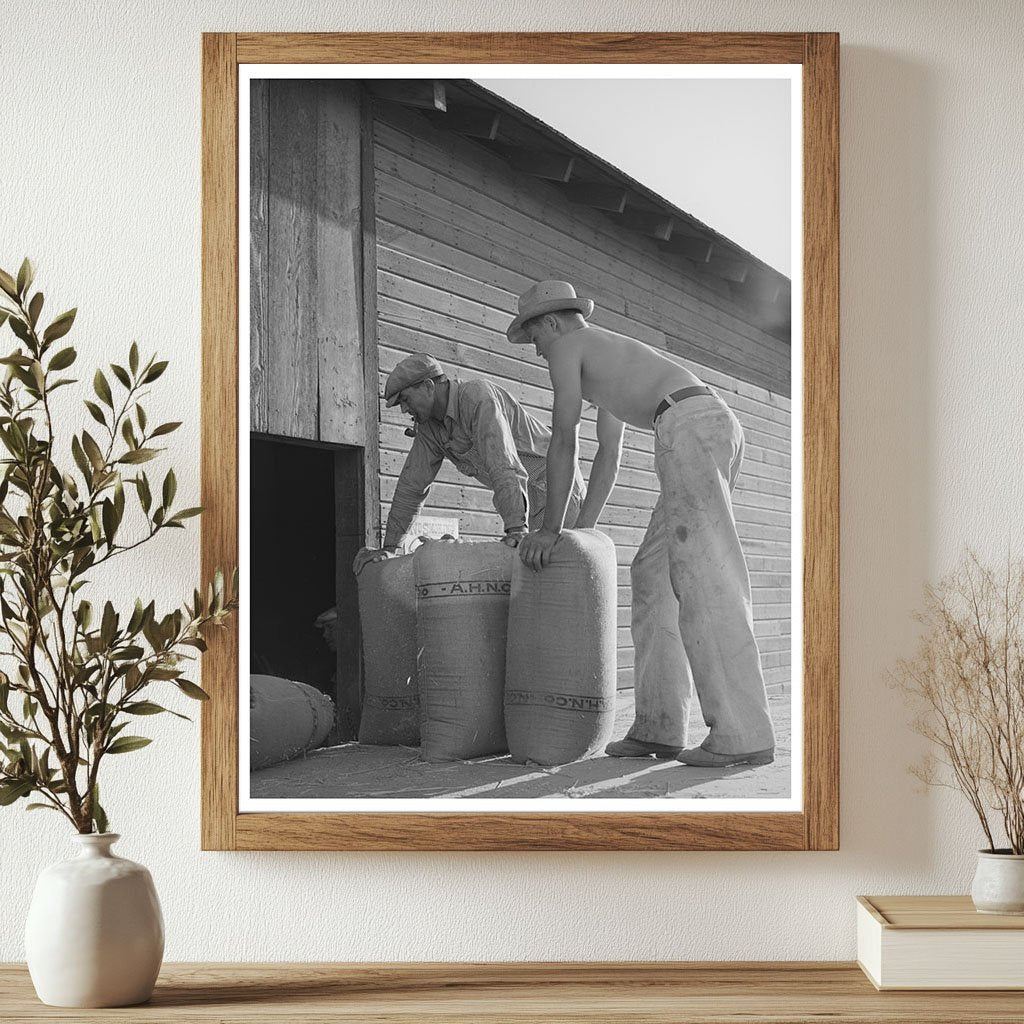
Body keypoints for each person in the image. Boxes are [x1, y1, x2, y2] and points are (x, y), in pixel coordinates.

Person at [507, 280, 775, 768]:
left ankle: (742, 732)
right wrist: (580, 530)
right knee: (653, 576)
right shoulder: (606, 359)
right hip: (697, 424)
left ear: (550, 322)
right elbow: (608, 454)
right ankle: (659, 725)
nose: (539, 353)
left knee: (703, 575)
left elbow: (562, 438)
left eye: (535, 341)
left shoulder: (569, 345)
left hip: (689, 425)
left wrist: (548, 530)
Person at [353, 352, 585, 575]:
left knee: (553, 581)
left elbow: (503, 464)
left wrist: (515, 528)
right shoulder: (429, 429)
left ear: (428, 386)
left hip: (557, 491)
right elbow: (412, 487)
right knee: (531, 584)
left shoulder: (477, 396)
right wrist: (389, 548)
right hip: (527, 503)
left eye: (405, 399)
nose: (404, 409)